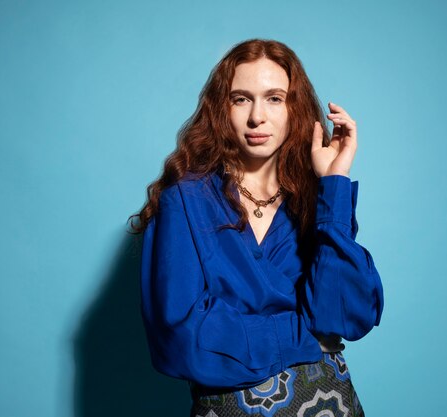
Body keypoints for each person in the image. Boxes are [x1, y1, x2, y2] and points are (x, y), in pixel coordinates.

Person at [130, 38, 384, 417]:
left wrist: (334, 182)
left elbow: (347, 316)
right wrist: (304, 334)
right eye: (241, 99)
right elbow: (181, 338)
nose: (257, 117)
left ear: (294, 109)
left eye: (274, 98)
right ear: (221, 109)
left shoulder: (321, 200)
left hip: (330, 404)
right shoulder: (185, 200)